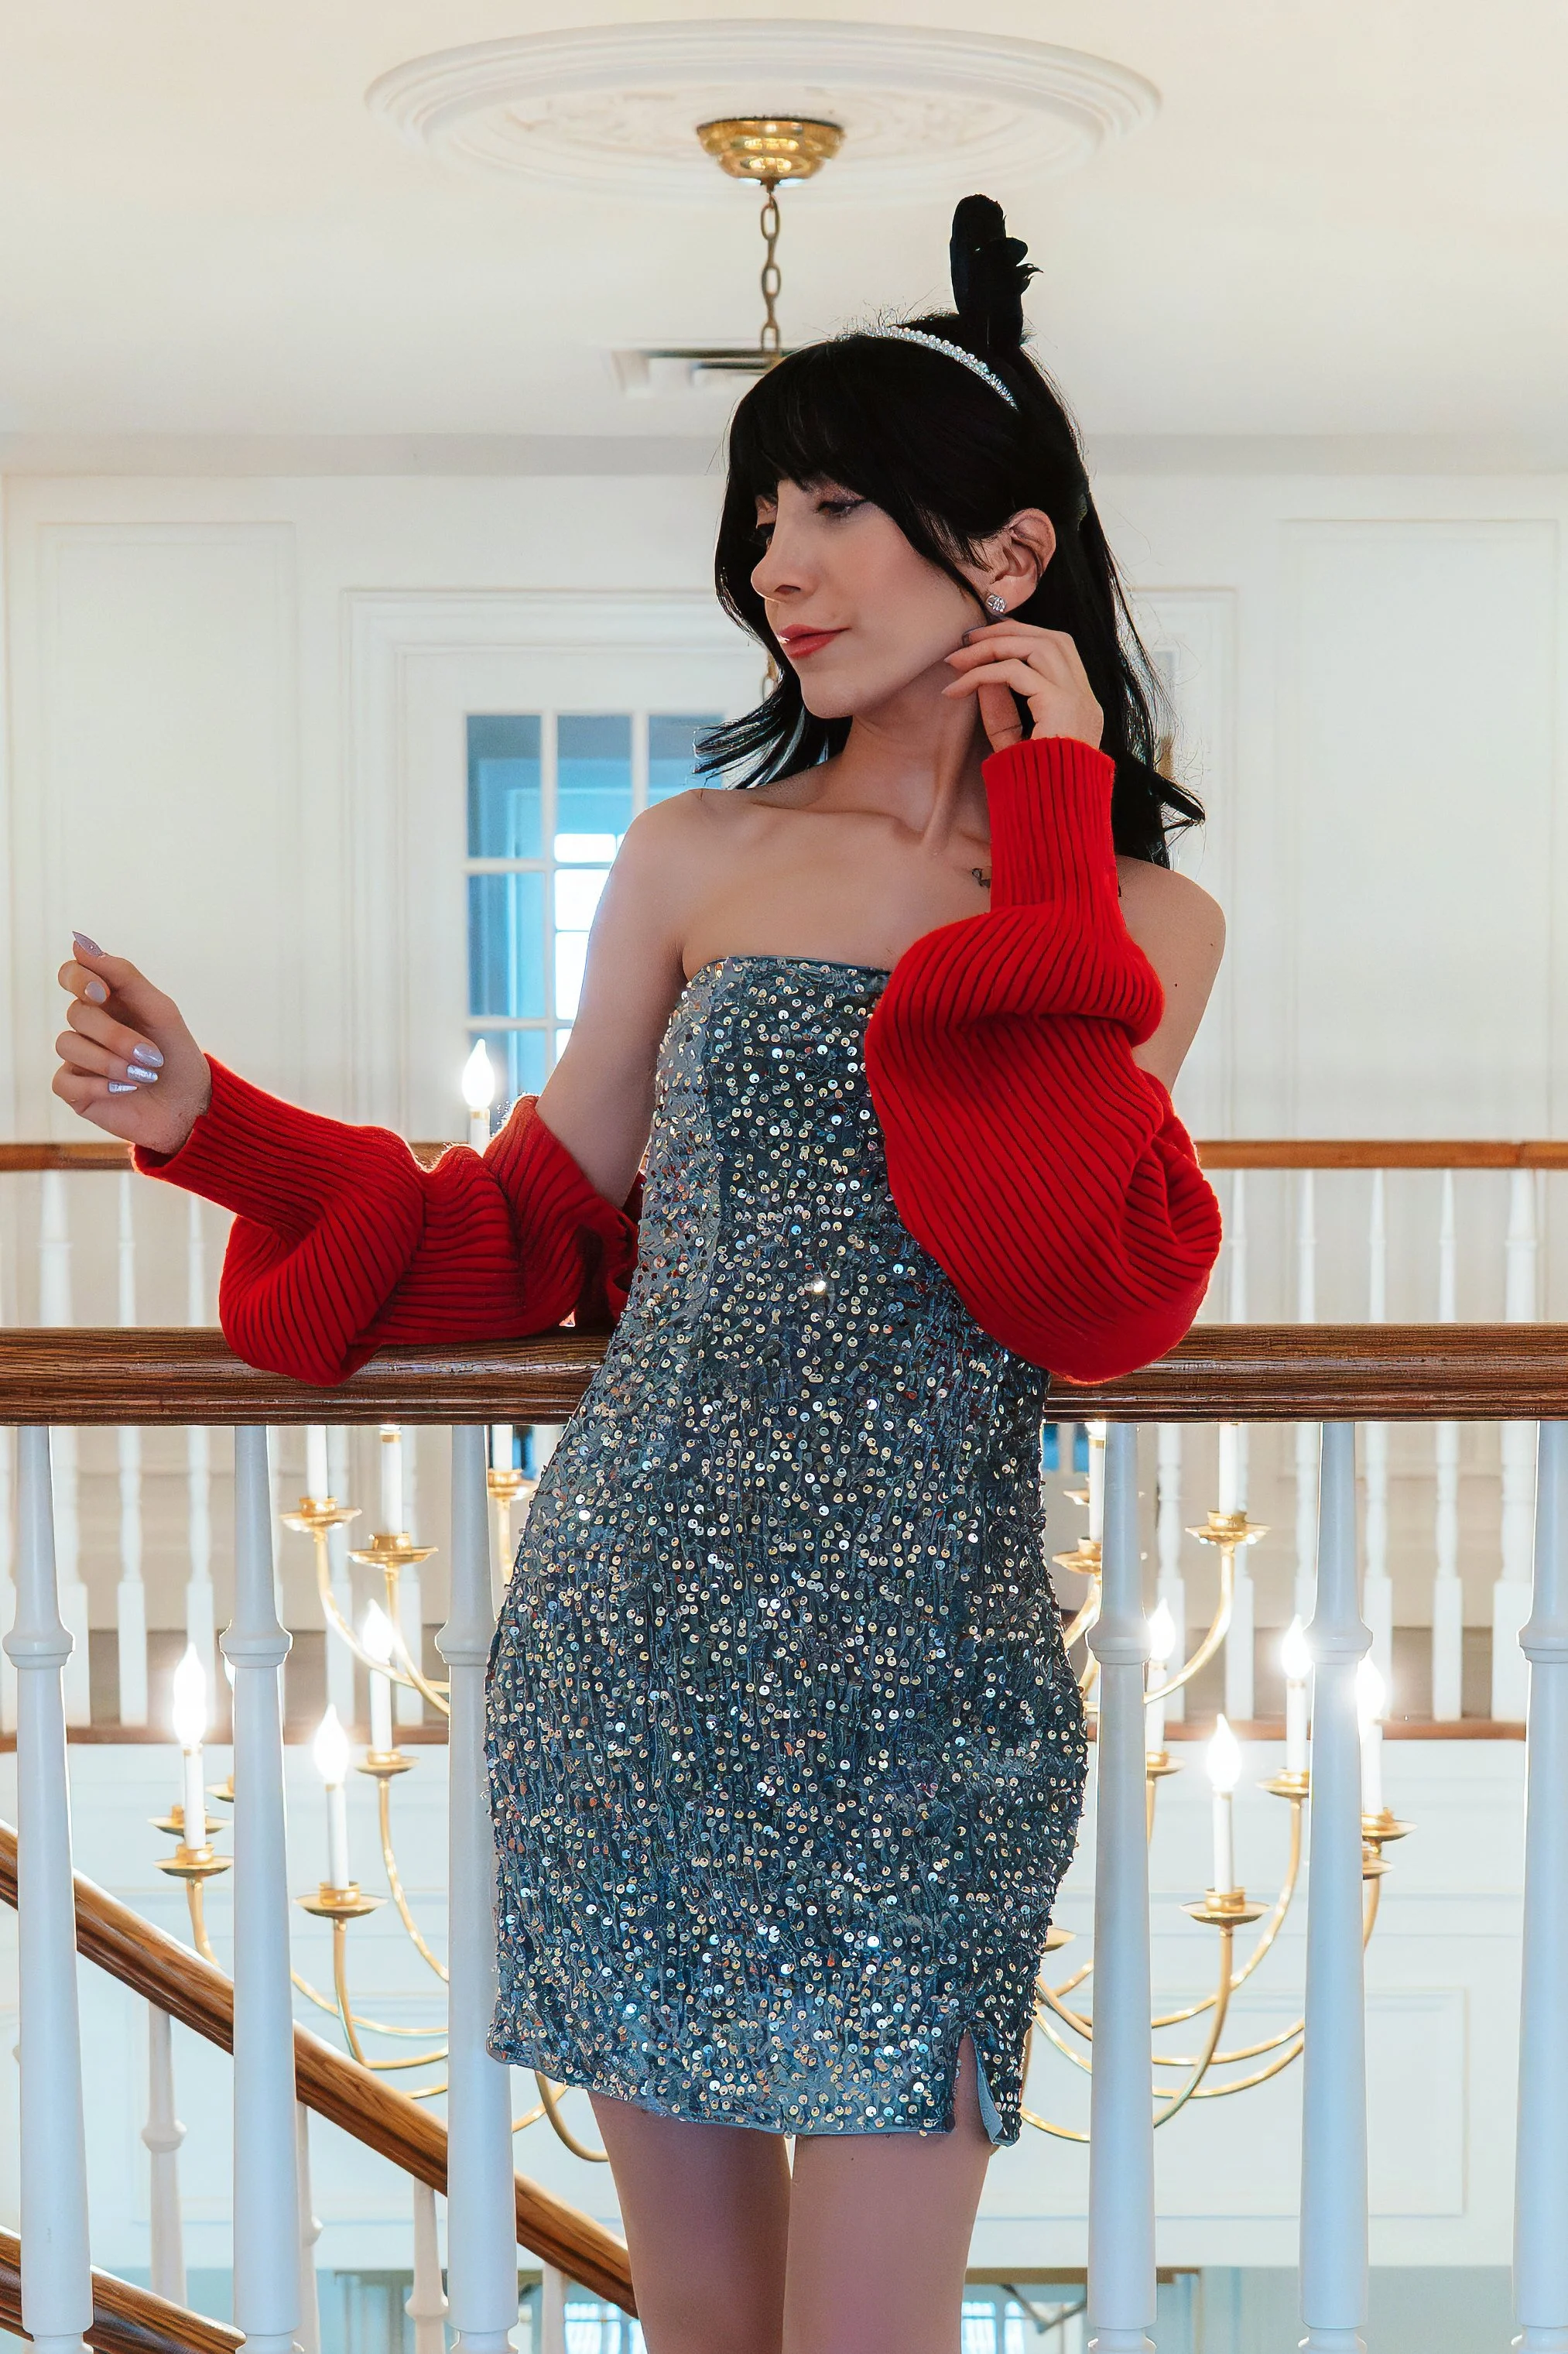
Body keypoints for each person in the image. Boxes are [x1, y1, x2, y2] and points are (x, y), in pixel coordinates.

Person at [53, 197, 1224, 2354]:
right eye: (758, 513)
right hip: (638, 1629)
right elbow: (537, 1219)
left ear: (1014, 559)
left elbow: (1064, 1260)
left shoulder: (1143, 922)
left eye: (839, 505)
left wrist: (1051, 818)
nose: (776, 563)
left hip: (925, 1673)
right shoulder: (692, 856)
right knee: (698, 2324)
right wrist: (214, 1123)